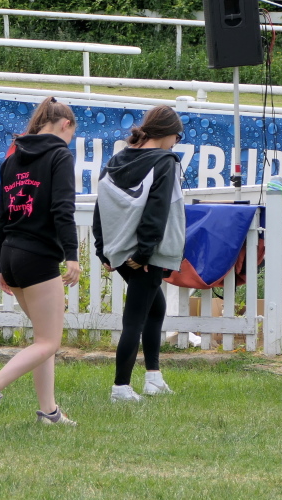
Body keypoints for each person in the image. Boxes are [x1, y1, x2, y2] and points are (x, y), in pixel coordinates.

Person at [0, 97, 80, 430]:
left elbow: (2, 216)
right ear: (65, 125)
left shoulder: (12, 158)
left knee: (42, 339)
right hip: (38, 256)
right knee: (49, 342)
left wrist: (1, 263)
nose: (70, 140)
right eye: (72, 134)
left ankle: (49, 412)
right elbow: (63, 209)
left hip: (11, 253)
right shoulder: (60, 156)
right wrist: (72, 254)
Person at [92, 104, 186, 402]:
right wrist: (145, 253)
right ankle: (120, 387)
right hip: (146, 255)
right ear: (168, 133)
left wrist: (102, 248)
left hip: (119, 250)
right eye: (178, 137)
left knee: (155, 309)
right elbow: (157, 210)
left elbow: (101, 204)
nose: (176, 143)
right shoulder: (165, 162)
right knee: (134, 319)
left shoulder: (117, 159)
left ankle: (153, 378)